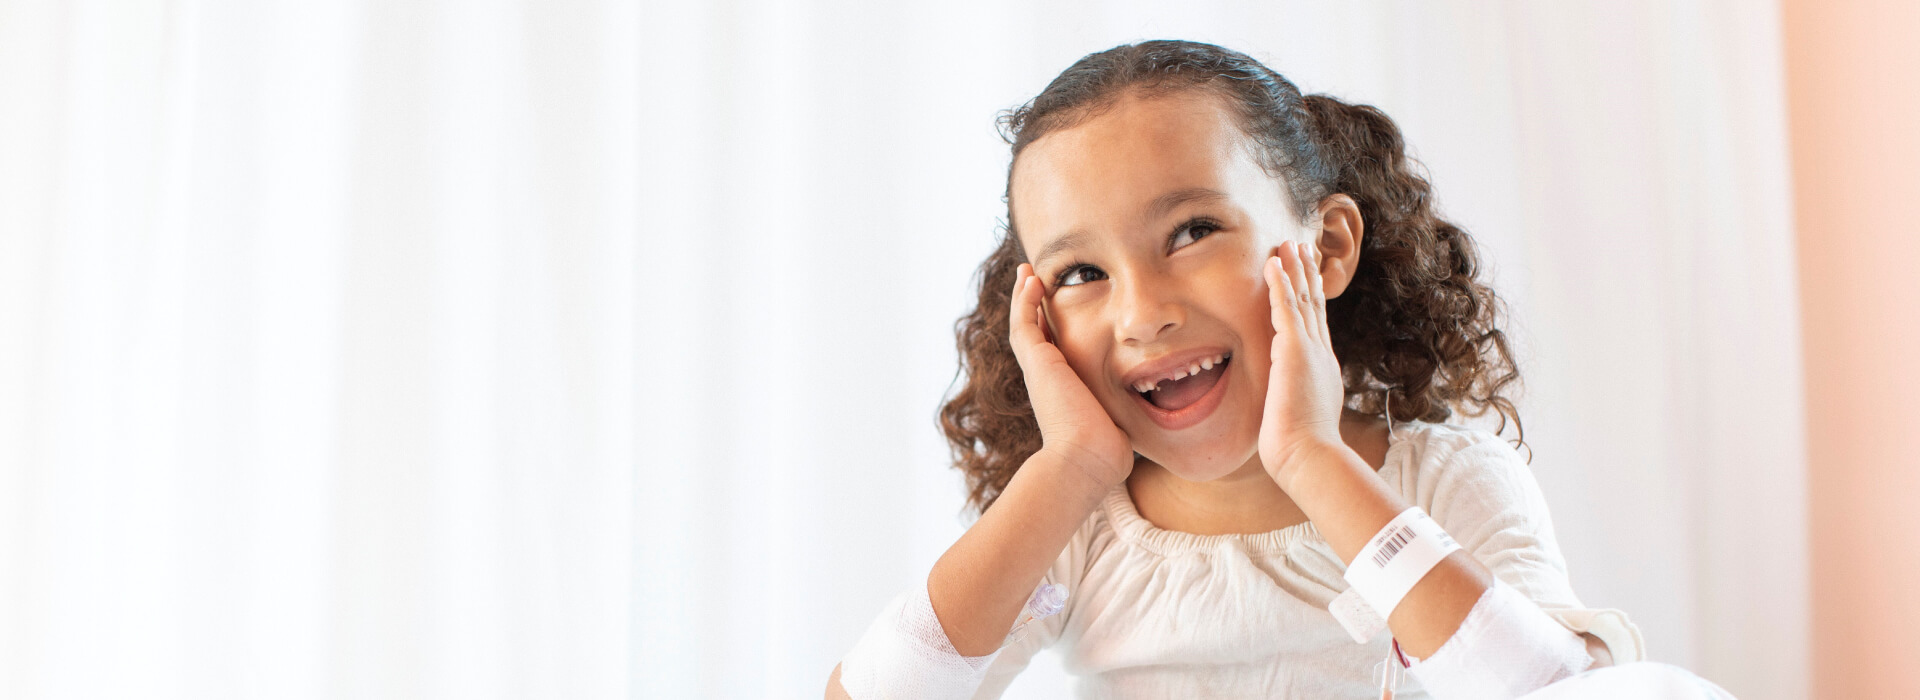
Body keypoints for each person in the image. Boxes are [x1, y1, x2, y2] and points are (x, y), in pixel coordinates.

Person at [826, 40, 1733, 700]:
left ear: (1327, 246)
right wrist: (1063, 471)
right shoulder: (1080, 525)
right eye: (1082, 274)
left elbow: (1559, 693)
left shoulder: (1441, 481)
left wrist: (1310, 457)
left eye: (1193, 232)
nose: (1143, 312)